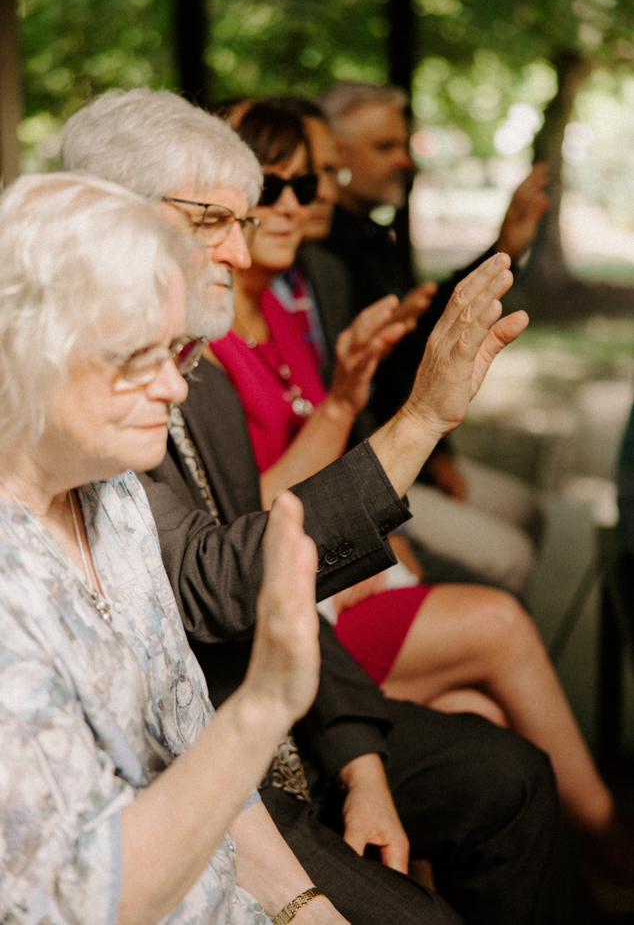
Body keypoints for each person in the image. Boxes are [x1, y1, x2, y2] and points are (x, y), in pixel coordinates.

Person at [60, 87, 591, 925]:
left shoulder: (201, 376)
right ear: (109, 219)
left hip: (283, 726)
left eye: (253, 216)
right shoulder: (82, 394)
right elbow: (215, 576)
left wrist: (358, 754)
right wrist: (417, 420)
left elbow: (272, 580)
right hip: (208, 771)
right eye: (214, 222)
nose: (241, 252)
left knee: (509, 773)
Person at [207, 99, 633, 878]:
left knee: (485, 721)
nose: (299, 206)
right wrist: (359, 407)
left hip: (330, 566)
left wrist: (352, 401)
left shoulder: (283, 302)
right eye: (274, 188)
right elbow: (247, 523)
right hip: (294, 602)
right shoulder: (208, 338)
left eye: (312, 187)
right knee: (500, 621)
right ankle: (610, 846)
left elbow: (325, 458)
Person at [0, 170, 358, 925]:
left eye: (178, 350)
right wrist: (263, 705)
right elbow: (87, 902)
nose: (176, 388)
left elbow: (192, 743)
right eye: (138, 358)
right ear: (25, 346)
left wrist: (305, 908)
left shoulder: (114, 492)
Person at [318, 81, 550, 593]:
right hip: (366, 457)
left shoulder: (371, 236)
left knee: (526, 511)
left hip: (405, 444)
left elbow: (412, 339)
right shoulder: (321, 253)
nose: (405, 160)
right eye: (386, 147)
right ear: (335, 152)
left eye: (404, 145)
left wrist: (502, 249)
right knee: (507, 557)